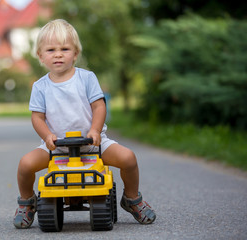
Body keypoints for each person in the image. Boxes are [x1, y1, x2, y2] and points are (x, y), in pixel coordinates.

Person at [13, 19, 156, 229]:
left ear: (76, 53)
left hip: (92, 145)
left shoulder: (86, 78)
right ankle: (27, 202)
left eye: (65, 49)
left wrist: (95, 130)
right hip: (56, 148)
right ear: (41, 56)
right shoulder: (40, 86)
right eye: (51, 49)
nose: (58, 54)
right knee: (25, 165)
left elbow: (99, 107)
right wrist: (47, 136)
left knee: (128, 158)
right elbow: (37, 117)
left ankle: (132, 198)